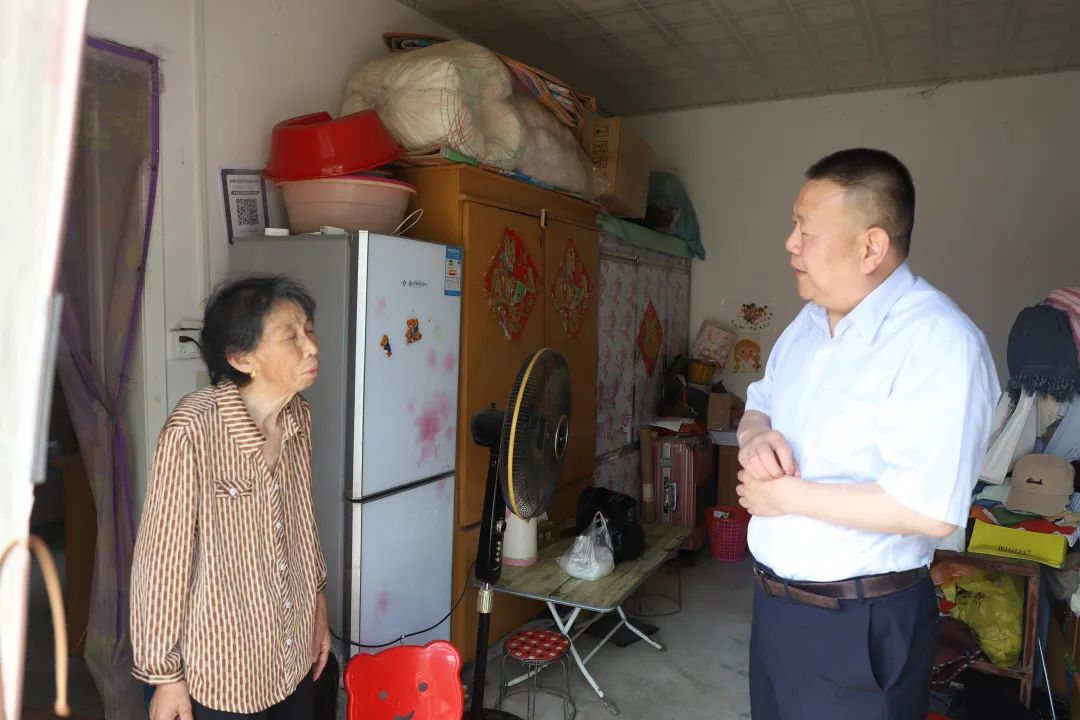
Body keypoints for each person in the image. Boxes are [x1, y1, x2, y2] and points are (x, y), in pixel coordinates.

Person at [736, 148, 999, 719]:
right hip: (777, 609)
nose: (790, 243)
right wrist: (756, 437)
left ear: (871, 247)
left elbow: (928, 508)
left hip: (859, 625)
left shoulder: (938, 342)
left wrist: (786, 497)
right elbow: (761, 402)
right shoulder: (807, 326)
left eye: (806, 230)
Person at [131, 275, 330, 720]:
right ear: (242, 358)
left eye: (309, 329)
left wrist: (318, 601)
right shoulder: (193, 430)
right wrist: (165, 676)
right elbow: (161, 563)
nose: (312, 347)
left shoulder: (298, 416)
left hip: (292, 654)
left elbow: (303, 519)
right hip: (225, 672)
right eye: (291, 336)